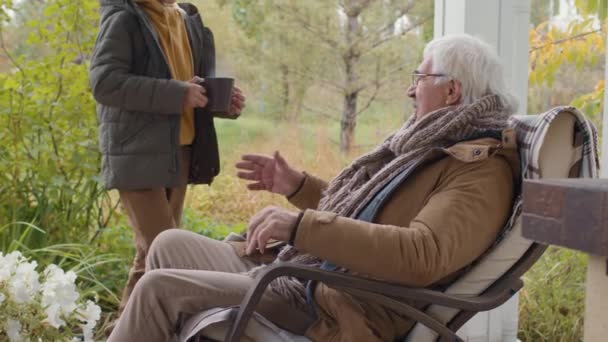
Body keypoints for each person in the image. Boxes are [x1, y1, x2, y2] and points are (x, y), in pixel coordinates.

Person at [107, 34, 520, 342]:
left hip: (336, 301)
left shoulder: (479, 171)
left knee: (157, 289)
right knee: (167, 244)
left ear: (452, 90)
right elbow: (365, 214)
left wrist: (299, 228)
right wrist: (298, 187)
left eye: (420, 77)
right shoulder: (429, 144)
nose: (410, 89)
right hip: (306, 270)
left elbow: (420, 255)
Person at [89, 0, 246, 330]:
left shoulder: (187, 19)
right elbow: (105, 82)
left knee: (152, 256)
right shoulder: (125, 16)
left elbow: (195, 88)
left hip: (180, 151)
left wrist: (222, 102)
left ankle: (119, 332)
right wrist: (177, 94)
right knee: (165, 252)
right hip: (136, 152)